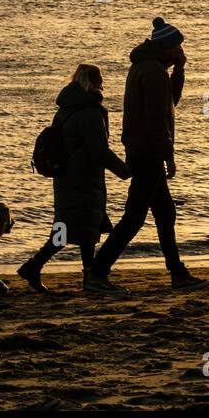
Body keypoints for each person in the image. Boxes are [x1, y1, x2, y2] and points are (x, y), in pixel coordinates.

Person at [86, 17, 205, 291]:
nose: (180, 52)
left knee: (165, 213)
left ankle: (177, 273)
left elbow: (168, 103)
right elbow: (156, 118)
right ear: (167, 48)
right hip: (148, 152)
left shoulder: (148, 68)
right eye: (178, 48)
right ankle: (98, 271)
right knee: (135, 217)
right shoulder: (152, 71)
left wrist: (179, 72)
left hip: (142, 150)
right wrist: (169, 155)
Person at [17, 64, 131, 294]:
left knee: (79, 228)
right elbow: (98, 150)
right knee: (80, 228)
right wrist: (124, 170)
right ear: (92, 82)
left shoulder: (65, 110)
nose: (103, 84)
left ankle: (82, 275)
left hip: (66, 177)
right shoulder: (90, 112)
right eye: (100, 79)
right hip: (84, 177)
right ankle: (42, 267)